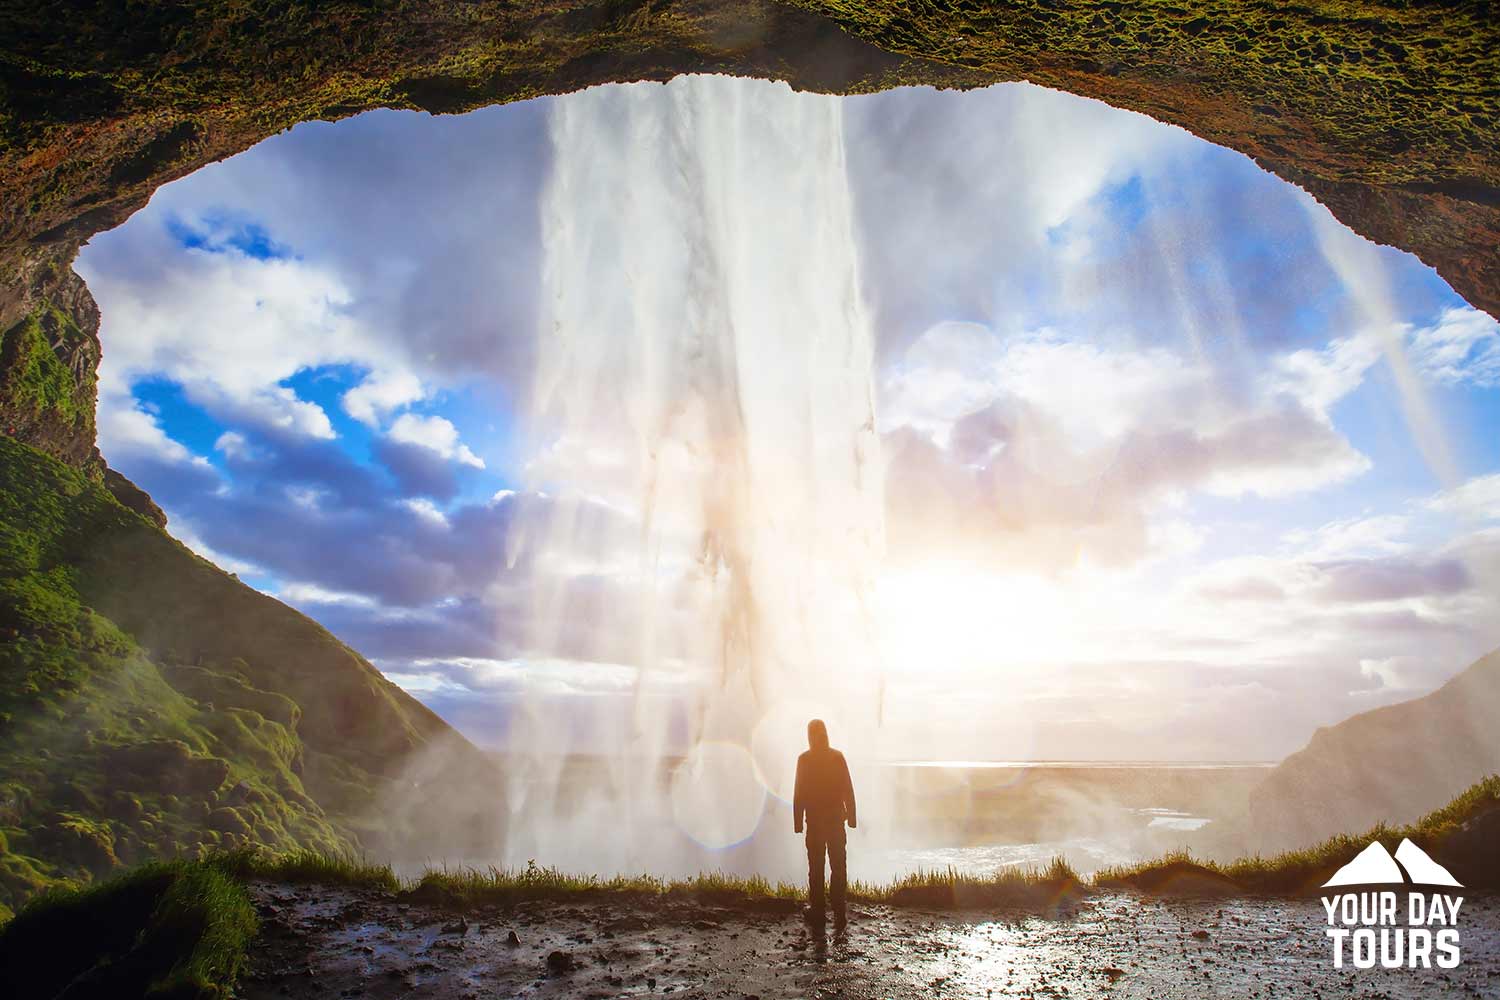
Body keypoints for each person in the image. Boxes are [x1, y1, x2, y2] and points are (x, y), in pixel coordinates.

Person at [792, 718, 856, 928]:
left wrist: (798, 823)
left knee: (816, 867)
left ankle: (818, 910)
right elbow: (848, 789)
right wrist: (852, 817)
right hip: (836, 822)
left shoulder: (804, 759)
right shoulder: (837, 757)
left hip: (815, 823)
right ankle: (839, 910)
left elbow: (798, 793)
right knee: (838, 866)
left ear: (809, 735)